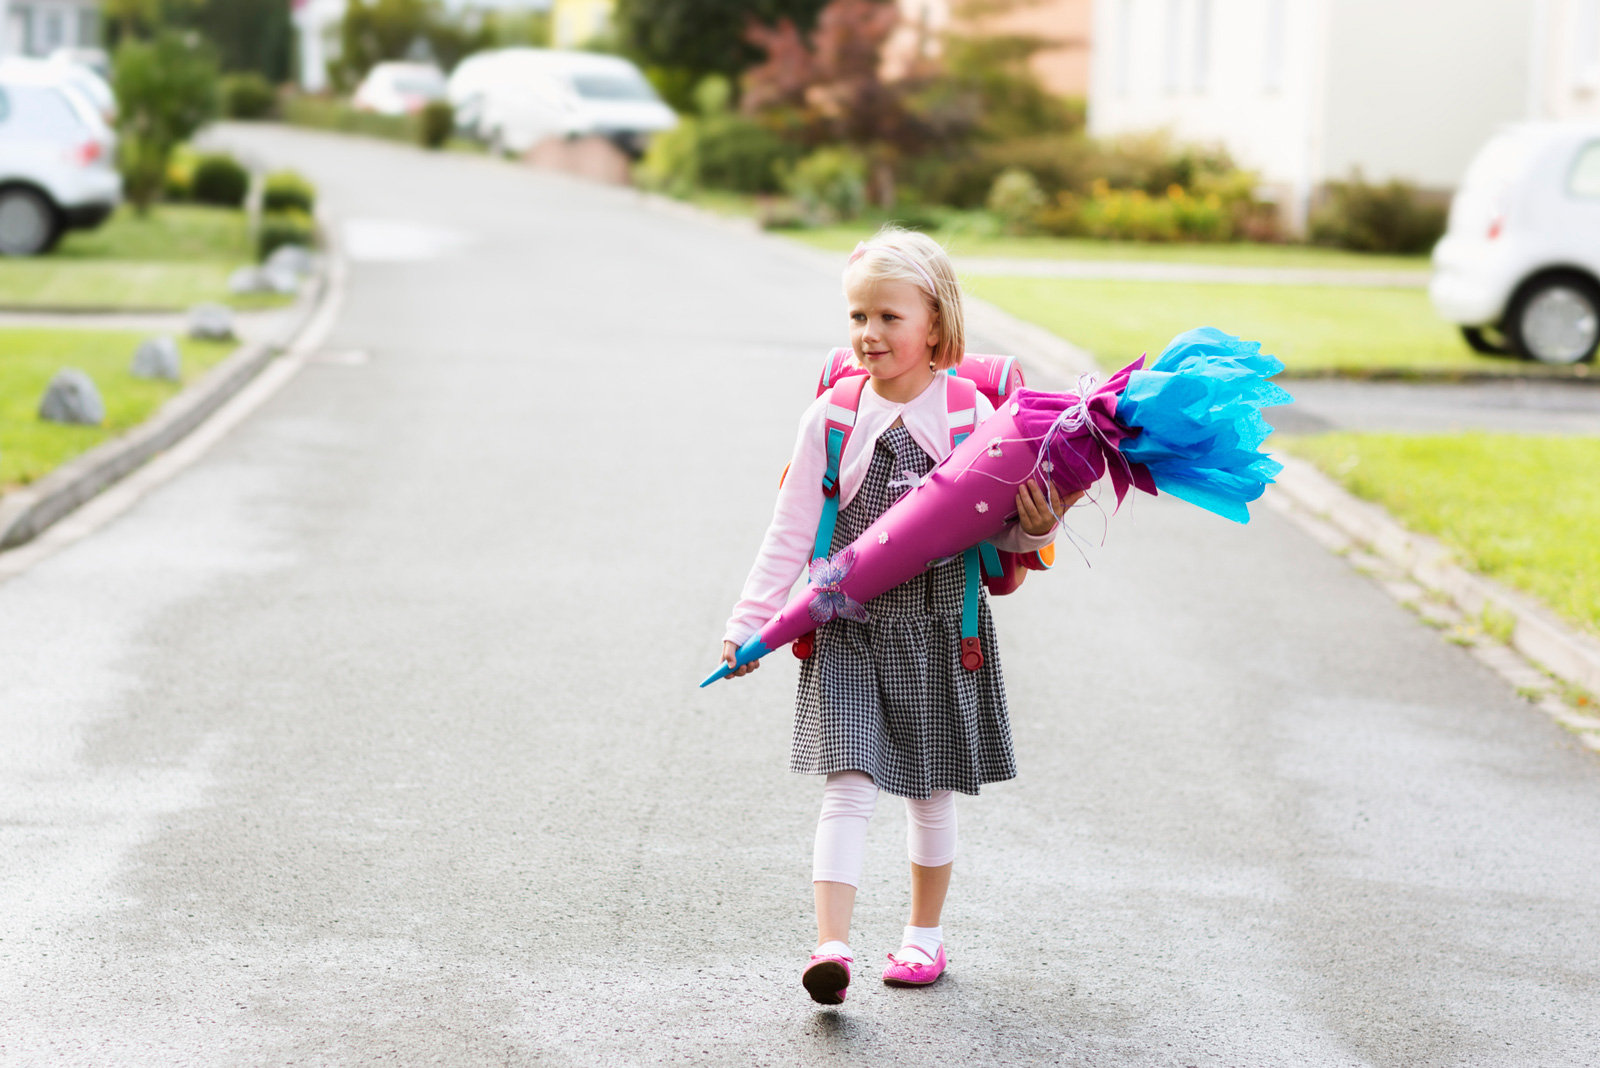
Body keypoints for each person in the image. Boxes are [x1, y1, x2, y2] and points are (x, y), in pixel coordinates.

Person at [718, 227, 1080, 1006]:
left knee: (929, 788)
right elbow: (787, 532)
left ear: (935, 327)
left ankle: (923, 937)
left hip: (940, 626)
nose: (868, 335)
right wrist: (749, 623)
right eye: (857, 318)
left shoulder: (970, 414)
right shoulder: (833, 416)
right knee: (846, 780)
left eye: (888, 318)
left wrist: (1040, 524)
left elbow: (1002, 529)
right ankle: (831, 947)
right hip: (846, 624)